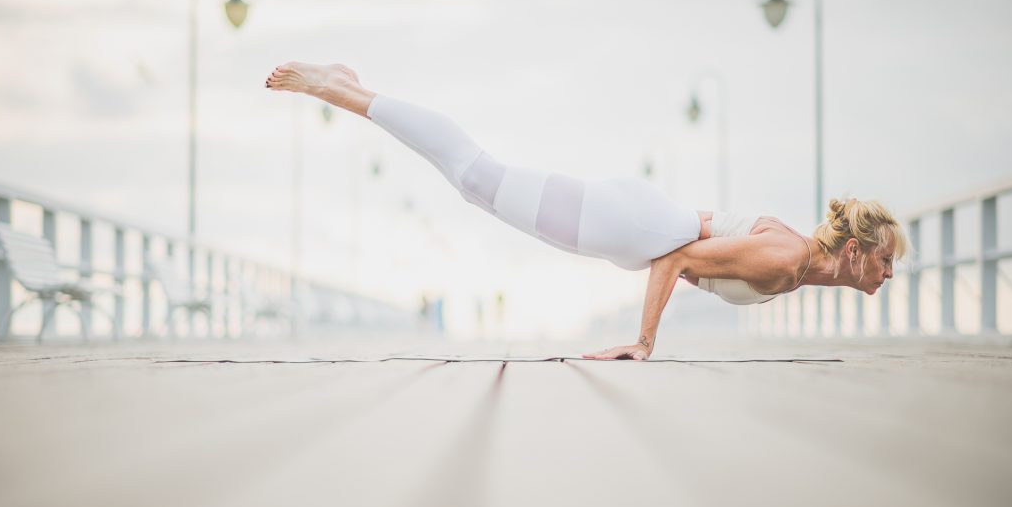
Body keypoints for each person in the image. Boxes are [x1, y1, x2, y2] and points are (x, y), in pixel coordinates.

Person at [266, 62, 908, 360]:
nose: (888, 274)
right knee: (476, 176)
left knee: (476, 180)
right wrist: (644, 344)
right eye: (885, 261)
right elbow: (681, 255)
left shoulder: (793, 254)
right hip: (639, 227)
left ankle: (350, 90)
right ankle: (341, 89)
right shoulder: (787, 259)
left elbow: (705, 235)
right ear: (854, 251)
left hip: (641, 218)